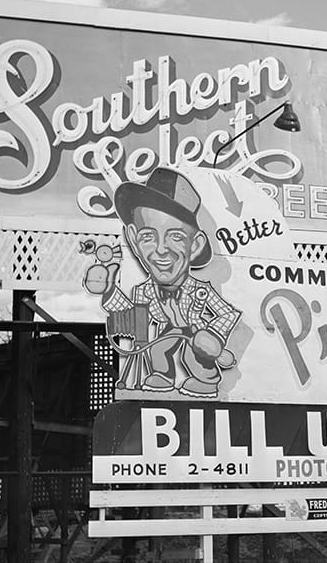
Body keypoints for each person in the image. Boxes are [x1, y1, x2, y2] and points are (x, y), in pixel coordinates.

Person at [98, 167, 240, 398]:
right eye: (148, 236)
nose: (161, 250)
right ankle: (162, 376)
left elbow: (228, 314)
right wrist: (109, 291)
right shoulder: (144, 291)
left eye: (176, 236)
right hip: (170, 330)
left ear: (195, 245)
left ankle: (207, 378)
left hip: (196, 332)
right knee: (157, 347)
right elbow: (132, 318)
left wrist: (213, 334)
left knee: (193, 353)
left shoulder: (200, 291)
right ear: (133, 240)